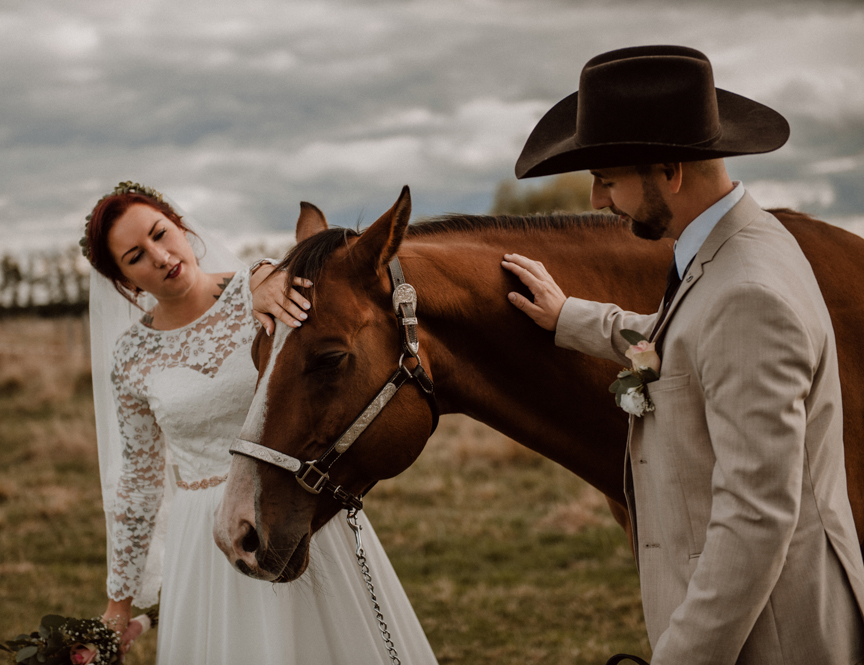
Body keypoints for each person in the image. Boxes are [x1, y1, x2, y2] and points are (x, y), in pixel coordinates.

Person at [501, 46, 864, 664]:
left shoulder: (748, 292)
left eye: (608, 179)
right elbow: (688, 339)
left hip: (772, 638)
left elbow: (757, 518)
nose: (595, 200)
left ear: (669, 171)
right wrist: (571, 318)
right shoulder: (741, 239)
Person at [84, 181, 438, 664]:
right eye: (135, 256)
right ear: (126, 281)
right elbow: (139, 486)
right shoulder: (131, 356)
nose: (160, 256)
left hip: (293, 499)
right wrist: (116, 609)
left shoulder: (267, 293)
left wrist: (264, 273)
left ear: (181, 227)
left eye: (160, 233)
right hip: (203, 536)